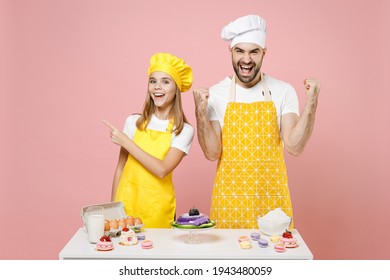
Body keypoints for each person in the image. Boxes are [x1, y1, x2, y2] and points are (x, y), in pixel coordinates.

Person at [193, 15, 320, 229]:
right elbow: (212, 153)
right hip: (229, 204)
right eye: (240, 51)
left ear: (264, 53)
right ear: (231, 52)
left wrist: (312, 102)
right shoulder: (216, 94)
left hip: (273, 206)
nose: (246, 59)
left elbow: (294, 146)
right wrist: (200, 112)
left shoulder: (283, 91)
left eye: (254, 51)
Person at [104, 53, 194, 228]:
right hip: (126, 204)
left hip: (157, 208)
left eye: (165, 82)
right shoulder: (133, 122)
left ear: (176, 88)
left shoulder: (183, 130)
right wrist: (112, 209)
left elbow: (162, 170)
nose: (157, 87)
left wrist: (125, 142)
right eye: (153, 81)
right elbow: (120, 168)